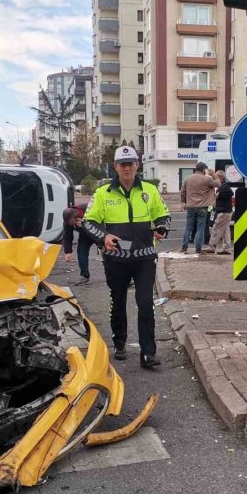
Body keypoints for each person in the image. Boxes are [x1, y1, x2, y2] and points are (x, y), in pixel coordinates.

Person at [84, 145, 171, 369]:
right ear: (115, 166)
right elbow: (89, 222)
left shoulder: (149, 190)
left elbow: (164, 215)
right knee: (118, 301)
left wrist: (161, 227)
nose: (127, 168)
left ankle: (148, 354)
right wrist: (104, 237)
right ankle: (120, 342)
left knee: (145, 303)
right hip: (116, 259)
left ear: (137, 165)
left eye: (131, 163)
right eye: (122, 164)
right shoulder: (103, 193)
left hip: (144, 258)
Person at [180, 162, 217, 254]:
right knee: (200, 228)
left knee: (188, 227)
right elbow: (218, 185)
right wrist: (214, 175)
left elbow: (182, 191)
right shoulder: (207, 179)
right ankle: (198, 248)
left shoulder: (188, 178)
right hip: (202, 207)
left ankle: (184, 247)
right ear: (204, 170)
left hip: (190, 206)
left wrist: (183, 202)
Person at [62, 204, 93, 286]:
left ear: (77, 216)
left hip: (98, 234)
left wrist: (85, 224)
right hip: (84, 236)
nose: (72, 225)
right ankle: (85, 276)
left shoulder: (89, 209)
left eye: (73, 223)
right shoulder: (68, 221)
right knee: (81, 252)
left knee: (108, 254)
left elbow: (101, 221)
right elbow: (67, 236)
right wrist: (68, 252)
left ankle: (118, 275)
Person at [207, 170, 233, 254]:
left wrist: (217, 195)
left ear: (220, 178)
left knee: (216, 228)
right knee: (225, 230)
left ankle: (211, 246)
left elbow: (226, 194)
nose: (214, 180)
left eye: (216, 178)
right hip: (226, 211)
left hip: (224, 212)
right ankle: (227, 248)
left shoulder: (224, 187)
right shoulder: (223, 187)